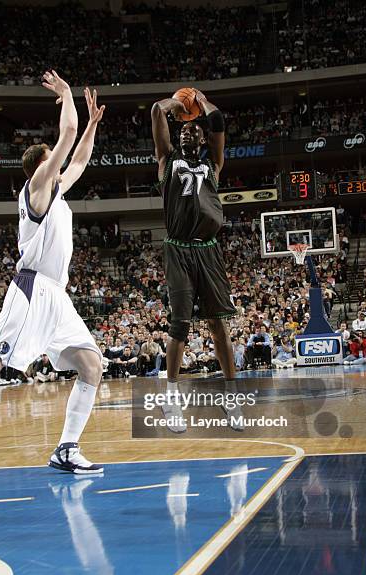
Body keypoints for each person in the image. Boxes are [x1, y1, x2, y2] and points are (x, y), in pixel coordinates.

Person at [0, 71, 106, 474]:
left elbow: (79, 158)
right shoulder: (36, 189)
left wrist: (93, 128)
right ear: (42, 166)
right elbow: (67, 133)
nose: (60, 161)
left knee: (92, 366)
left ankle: (66, 449)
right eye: (53, 158)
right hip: (31, 291)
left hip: (56, 297)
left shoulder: (56, 190)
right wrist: (67, 95)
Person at [151, 88, 240, 432]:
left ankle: (232, 398)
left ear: (203, 139)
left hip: (209, 249)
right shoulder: (166, 160)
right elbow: (158, 112)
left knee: (219, 326)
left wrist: (199, 102)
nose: (188, 132)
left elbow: (217, 120)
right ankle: (171, 397)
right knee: (180, 325)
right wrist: (179, 104)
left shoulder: (213, 163)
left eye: (194, 131)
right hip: (178, 248)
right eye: (184, 130)